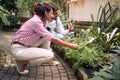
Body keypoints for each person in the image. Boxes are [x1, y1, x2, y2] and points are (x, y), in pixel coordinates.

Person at [11, 2, 78, 75]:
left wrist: (69, 30)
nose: (53, 16)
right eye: (51, 13)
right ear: (46, 13)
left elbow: (50, 35)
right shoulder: (36, 22)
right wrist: (70, 46)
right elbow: (53, 39)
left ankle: (28, 57)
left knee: (49, 34)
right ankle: (23, 62)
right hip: (19, 49)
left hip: (26, 46)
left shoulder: (40, 20)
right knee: (49, 55)